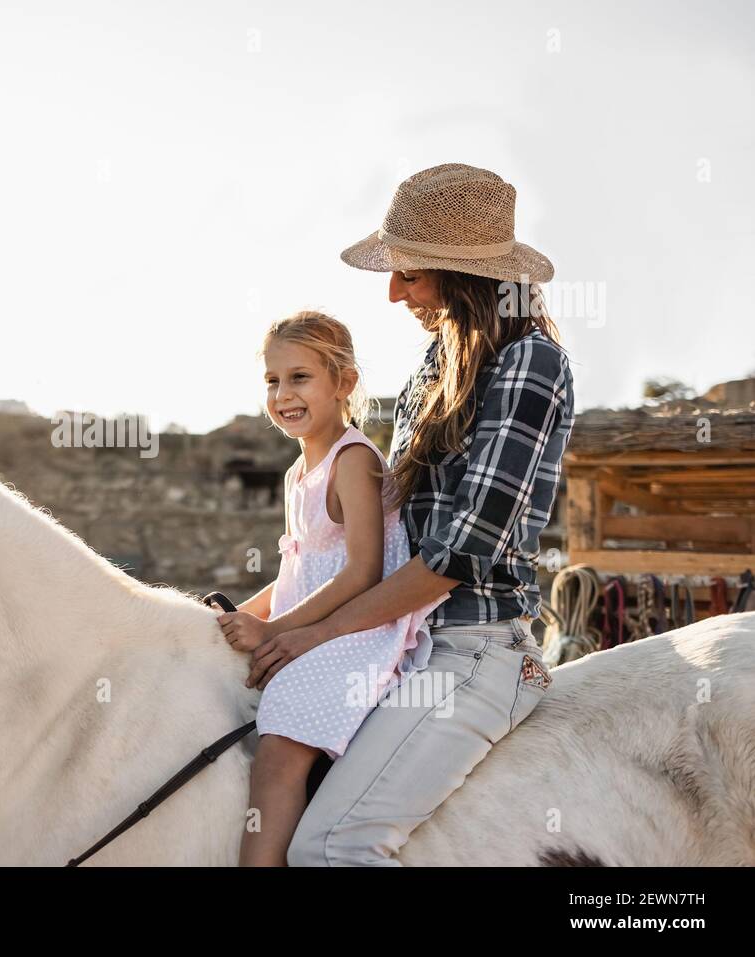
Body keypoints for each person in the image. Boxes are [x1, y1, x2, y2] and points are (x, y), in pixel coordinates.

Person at [246, 163, 575, 865]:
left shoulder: (530, 364)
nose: (394, 293)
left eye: (411, 275)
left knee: (332, 848)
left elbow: (458, 554)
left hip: (473, 645)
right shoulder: (433, 366)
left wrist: (317, 634)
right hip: (398, 639)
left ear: (467, 277)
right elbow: (373, 545)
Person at [219, 311, 445, 867]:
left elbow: (362, 573)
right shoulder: (298, 472)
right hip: (312, 622)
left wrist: (274, 630)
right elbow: (298, 570)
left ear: (343, 383)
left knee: (280, 750)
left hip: (360, 628)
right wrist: (228, 615)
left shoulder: (354, 460)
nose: (282, 394)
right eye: (273, 381)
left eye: (300, 377)